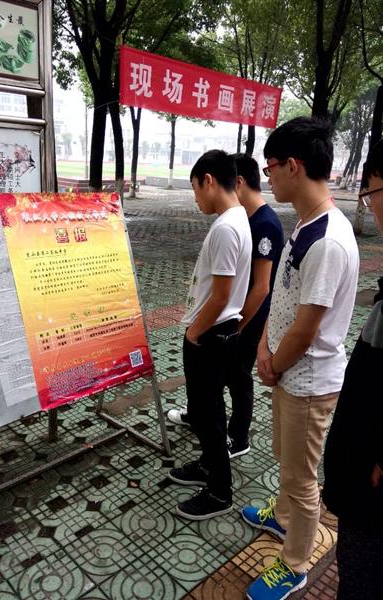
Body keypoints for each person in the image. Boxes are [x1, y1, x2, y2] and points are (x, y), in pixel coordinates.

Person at [240, 117, 359, 600]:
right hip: (289, 372)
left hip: (308, 381)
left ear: (293, 165)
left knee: (303, 477)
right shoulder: (306, 222)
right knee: (286, 459)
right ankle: (283, 515)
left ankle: (294, 564)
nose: (267, 176)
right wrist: (263, 345)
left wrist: (273, 363)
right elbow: (285, 296)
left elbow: (308, 328)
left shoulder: (328, 240)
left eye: (270, 166)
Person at [167, 154, 284, 459]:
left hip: (244, 317)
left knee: (237, 378)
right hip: (231, 315)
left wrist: (235, 326)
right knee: (216, 384)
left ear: (237, 181)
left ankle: (237, 437)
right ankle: (205, 424)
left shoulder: (261, 224)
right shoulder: (244, 219)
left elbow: (261, 287)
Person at [168, 150, 252, 520]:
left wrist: (193, 334)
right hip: (219, 332)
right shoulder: (237, 219)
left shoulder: (226, 228)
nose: (196, 199)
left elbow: (220, 296)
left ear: (209, 180)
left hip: (211, 334)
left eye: (195, 190)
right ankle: (207, 465)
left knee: (208, 415)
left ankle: (219, 493)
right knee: (207, 412)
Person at [322, 138, 383, 600]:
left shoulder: (329, 239)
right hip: (361, 473)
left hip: (373, 493)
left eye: (372, 193)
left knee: (362, 578)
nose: (371, 207)